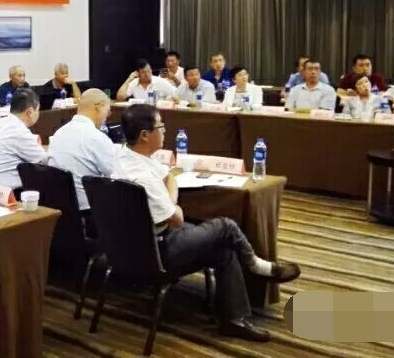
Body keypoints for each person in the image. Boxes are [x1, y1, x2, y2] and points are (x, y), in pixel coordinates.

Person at [113, 105, 300, 342]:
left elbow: (169, 176)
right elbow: (177, 218)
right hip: (158, 251)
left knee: (223, 250)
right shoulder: (144, 178)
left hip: (129, 247)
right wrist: (173, 202)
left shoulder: (124, 157)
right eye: (161, 126)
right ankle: (256, 266)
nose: (165, 130)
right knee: (225, 226)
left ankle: (234, 320)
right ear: (144, 135)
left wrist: (170, 196)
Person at [47, 89, 117, 233]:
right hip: (88, 212)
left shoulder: (59, 133)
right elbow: (116, 176)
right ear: (98, 107)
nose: (107, 117)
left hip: (61, 210)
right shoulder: (96, 138)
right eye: (108, 111)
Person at [0, 88, 47, 190]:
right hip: (9, 192)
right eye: (38, 110)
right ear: (30, 112)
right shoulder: (18, 130)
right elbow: (45, 161)